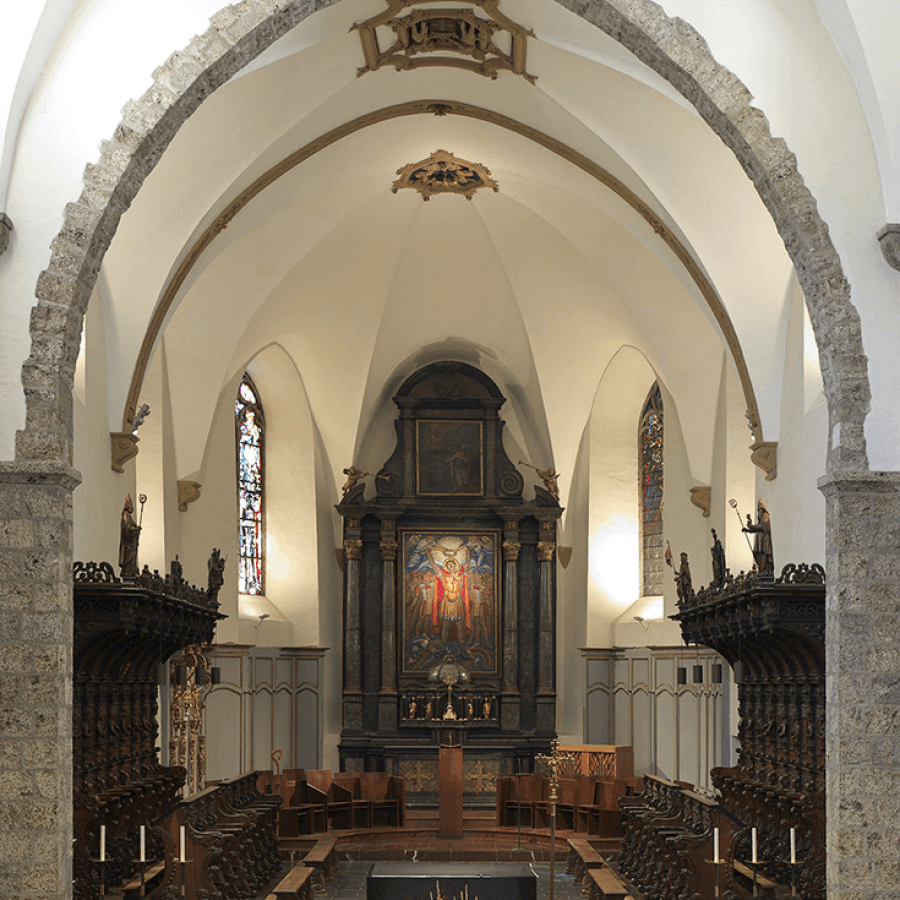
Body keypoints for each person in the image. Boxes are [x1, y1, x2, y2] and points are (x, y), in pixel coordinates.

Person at [743, 499, 774, 575]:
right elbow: (757, 529)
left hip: (764, 540)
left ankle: (765, 570)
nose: (759, 513)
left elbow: (761, 527)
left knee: (764, 555)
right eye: (758, 511)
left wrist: (751, 526)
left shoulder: (766, 517)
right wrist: (747, 530)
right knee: (757, 554)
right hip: (759, 541)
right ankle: (761, 569)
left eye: (760, 511)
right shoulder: (761, 520)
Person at [119, 494, 141, 579]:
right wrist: (135, 529)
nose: (132, 507)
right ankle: (128, 572)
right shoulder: (126, 515)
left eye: (132, 506)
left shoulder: (129, 516)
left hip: (132, 543)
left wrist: (136, 529)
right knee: (129, 558)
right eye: (130, 506)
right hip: (128, 544)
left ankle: (131, 572)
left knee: (133, 558)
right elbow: (127, 527)